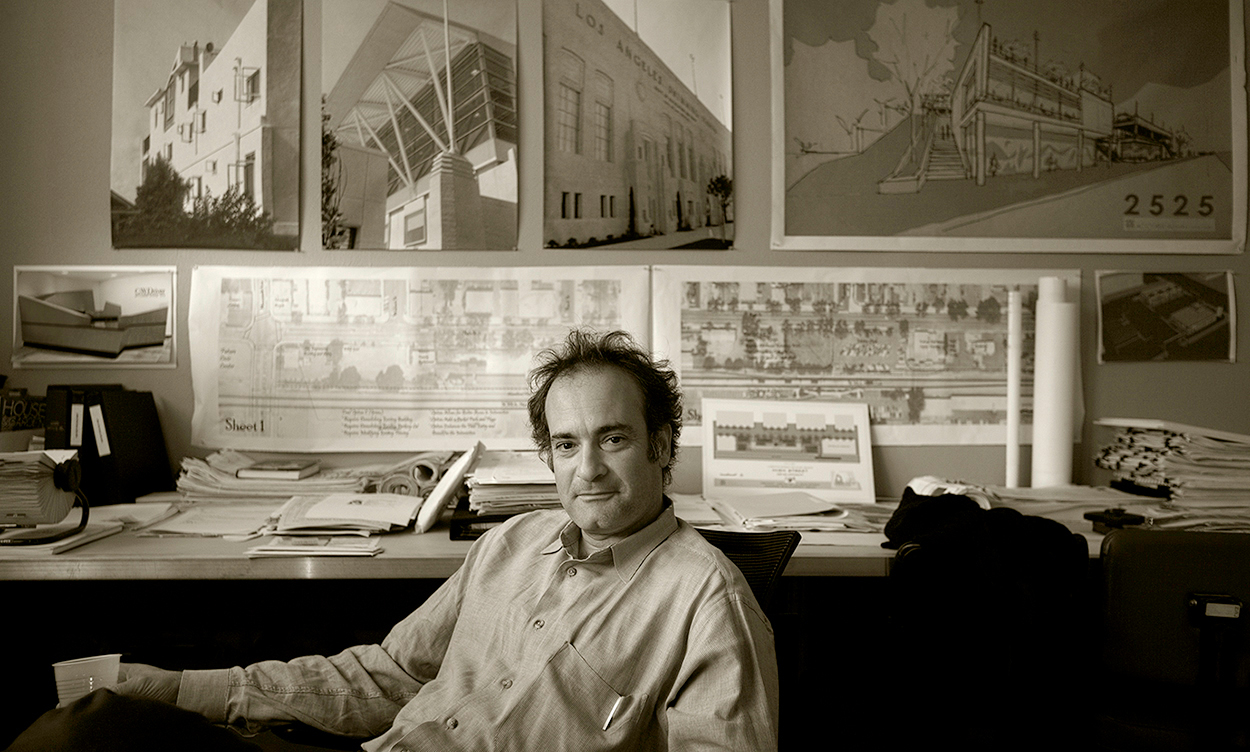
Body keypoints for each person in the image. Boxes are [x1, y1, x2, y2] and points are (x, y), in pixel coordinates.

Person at [7, 329, 779, 751]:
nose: (589, 471)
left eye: (612, 439)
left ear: (662, 446)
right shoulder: (511, 545)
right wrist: (183, 689)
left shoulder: (706, 599)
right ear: (547, 455)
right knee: (92, 725)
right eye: (567, 444)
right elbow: (388, 678)